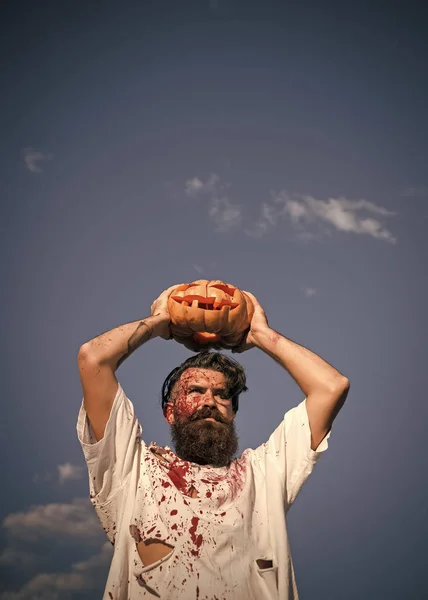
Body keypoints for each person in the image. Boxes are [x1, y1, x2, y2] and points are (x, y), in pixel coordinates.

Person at [77, 285, 350, 599]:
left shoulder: (264, 474)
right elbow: (94, 359)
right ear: (169, 412)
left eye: (222, 395)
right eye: (195, 391)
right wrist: (161, 320)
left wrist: (260, 333)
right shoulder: (131, 470)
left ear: (232, 414)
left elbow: (331, 386)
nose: (210, 401)